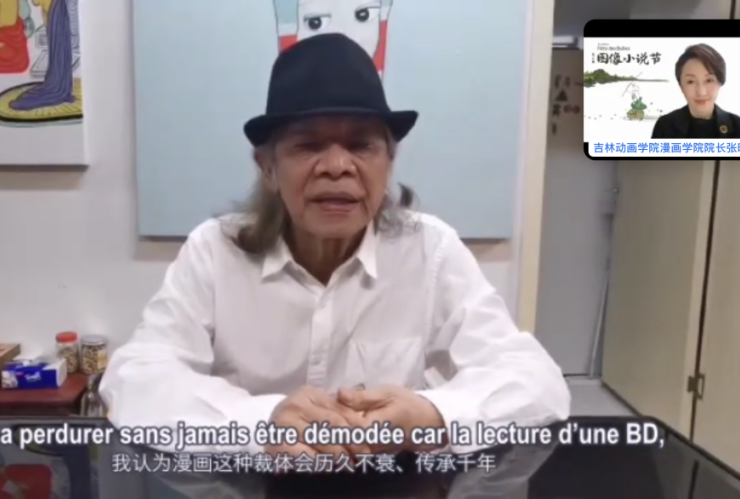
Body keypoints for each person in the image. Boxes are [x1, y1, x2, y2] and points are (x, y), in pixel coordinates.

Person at [99, 33, 570, 459]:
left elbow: (535, 381)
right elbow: (136, 380)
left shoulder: (432, 251)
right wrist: (261, 423)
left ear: (389, 162)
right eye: (308, 146)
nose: (337, 166)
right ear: (268, 167)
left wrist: (435, 417)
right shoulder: (214, 251)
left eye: (362, 146)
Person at [652, 44, 740, 139]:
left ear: (720, 82)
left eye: (709, 80)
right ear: (681, 86)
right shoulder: (664, 127)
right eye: (691, 81)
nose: (701, 92)